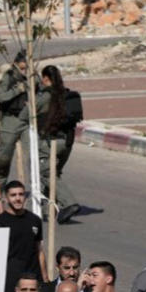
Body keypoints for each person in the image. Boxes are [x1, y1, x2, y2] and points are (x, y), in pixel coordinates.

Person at [35, 65, 81, 223]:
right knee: (53, 174)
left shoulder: (47, 97)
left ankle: (69, 203)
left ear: (46, 79)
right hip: (67, 143)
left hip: (52, 142)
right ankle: (45, 209)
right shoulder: (67, 95)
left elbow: (29, 113)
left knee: (46, 173)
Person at [0, 181, 46, 292]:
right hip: (11, 281)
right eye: (13, 195)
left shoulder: (35, 220)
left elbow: (39, 250)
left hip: (33, 279)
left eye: (21, 194)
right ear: (5, 198)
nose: (18, 198)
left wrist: (45, 277)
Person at [0, 51, 29, 181]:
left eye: (27, 68)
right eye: (22, 68)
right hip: (10, 120)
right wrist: (17, 90)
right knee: (4, 158)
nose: (24, 71)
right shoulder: (9, 77)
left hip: (27, 121)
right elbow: (1, 97)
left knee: (34, 157)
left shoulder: (31, 77)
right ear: (15, 65)